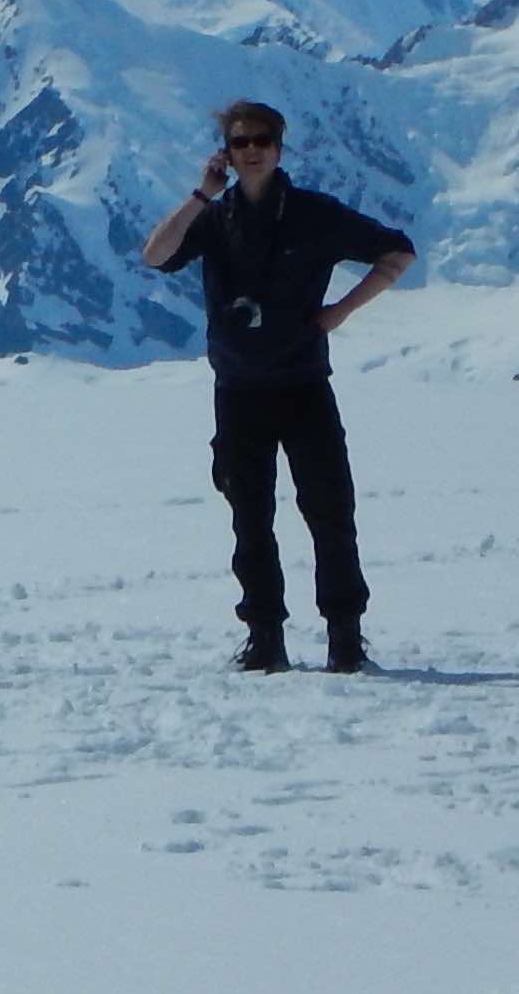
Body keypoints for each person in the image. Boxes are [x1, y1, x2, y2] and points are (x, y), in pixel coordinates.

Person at [140, 100, 413, 672]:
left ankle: (344, 638)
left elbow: (396, 252)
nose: (253, 150)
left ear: (280, 147)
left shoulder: (314, 215)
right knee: (250, 518)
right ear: (228, 153)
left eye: (262, 139)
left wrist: (339, 311)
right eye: (241, 142)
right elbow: (155, 255)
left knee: (331, 511)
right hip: (238, 391)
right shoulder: (214, 220)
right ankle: (265, 639)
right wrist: (201, 195)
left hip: (304, 385)